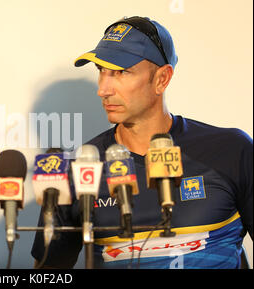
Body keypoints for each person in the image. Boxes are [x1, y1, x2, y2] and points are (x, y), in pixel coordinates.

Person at [31, 16, 253, 269]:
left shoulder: (232, 150)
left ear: (162, 79)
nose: (103, 89)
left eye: (121, 72)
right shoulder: (78, 169)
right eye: (101, 72)